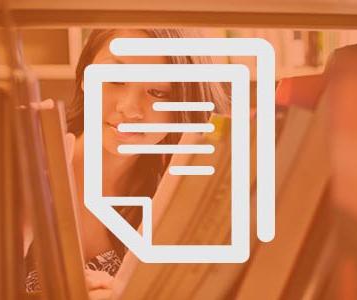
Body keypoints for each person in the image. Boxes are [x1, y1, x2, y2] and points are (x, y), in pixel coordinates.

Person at [24, 28, 230, 294]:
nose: (129, 109)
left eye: (157, 92)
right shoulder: (25, 162)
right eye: (115, 78)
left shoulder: (182, 197)